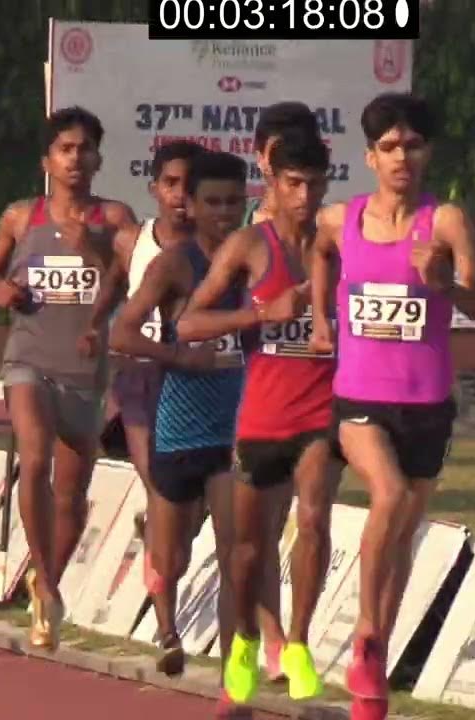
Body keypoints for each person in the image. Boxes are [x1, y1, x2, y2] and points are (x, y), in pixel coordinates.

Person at [309, 93, 475, 719]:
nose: (401, 157)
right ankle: (365, 632)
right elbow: (317, 253)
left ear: (427, 153)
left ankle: (375, 668)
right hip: (361, 399)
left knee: (402, 540)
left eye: (412, 145)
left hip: (426, 404)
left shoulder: (444, 222)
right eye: (389, 147)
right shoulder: (342, 220)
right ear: (369, 156)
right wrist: (319, 317)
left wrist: (445, 284)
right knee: (386, 496)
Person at [176, 128, 339, 704]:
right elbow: (189, 323)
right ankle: (246, 638)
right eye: (294, 184)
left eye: (316, 185)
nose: (305, 197)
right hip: (262, 417)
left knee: (314, 519)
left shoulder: (338, 242)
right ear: (273, 182)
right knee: (248, 550)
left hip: (322, 410)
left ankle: (297, 642)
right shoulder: (250, 245)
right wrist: (259, 314)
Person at [0, 106, 137, 650]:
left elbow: (131, 276)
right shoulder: (22, 216)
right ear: (48, 159)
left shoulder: (115, 217)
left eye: (84, 148)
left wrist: (88, 246)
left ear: (98, 157)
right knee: (36, 458)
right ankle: (44, 583)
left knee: (72, 495)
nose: (75, 158)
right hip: (28, 359)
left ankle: (46, 581)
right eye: (64, 149)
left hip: (84, 369)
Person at [108, 151, 247, 683]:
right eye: (212, 202)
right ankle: (168, 633)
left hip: (232, 431)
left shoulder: (255, 258)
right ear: (192, 204)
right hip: (179, 425)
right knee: (173, 555)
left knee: (237, 550)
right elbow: (124, 333)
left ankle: (236, 669)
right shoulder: (175, 264)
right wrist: (180, 356)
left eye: (233, 202)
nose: (222, 213)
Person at [94, 141, 205, 593]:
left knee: (189, 509)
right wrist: (92, 327)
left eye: (189, 185)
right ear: (154, 187)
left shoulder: (217, 249)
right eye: (171, 184)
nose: (180, 195)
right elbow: (115, 285)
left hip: (197, 383)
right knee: (160, 484)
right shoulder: (131, 240)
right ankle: (165, 622)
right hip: (141, 377)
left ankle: (161, 546)